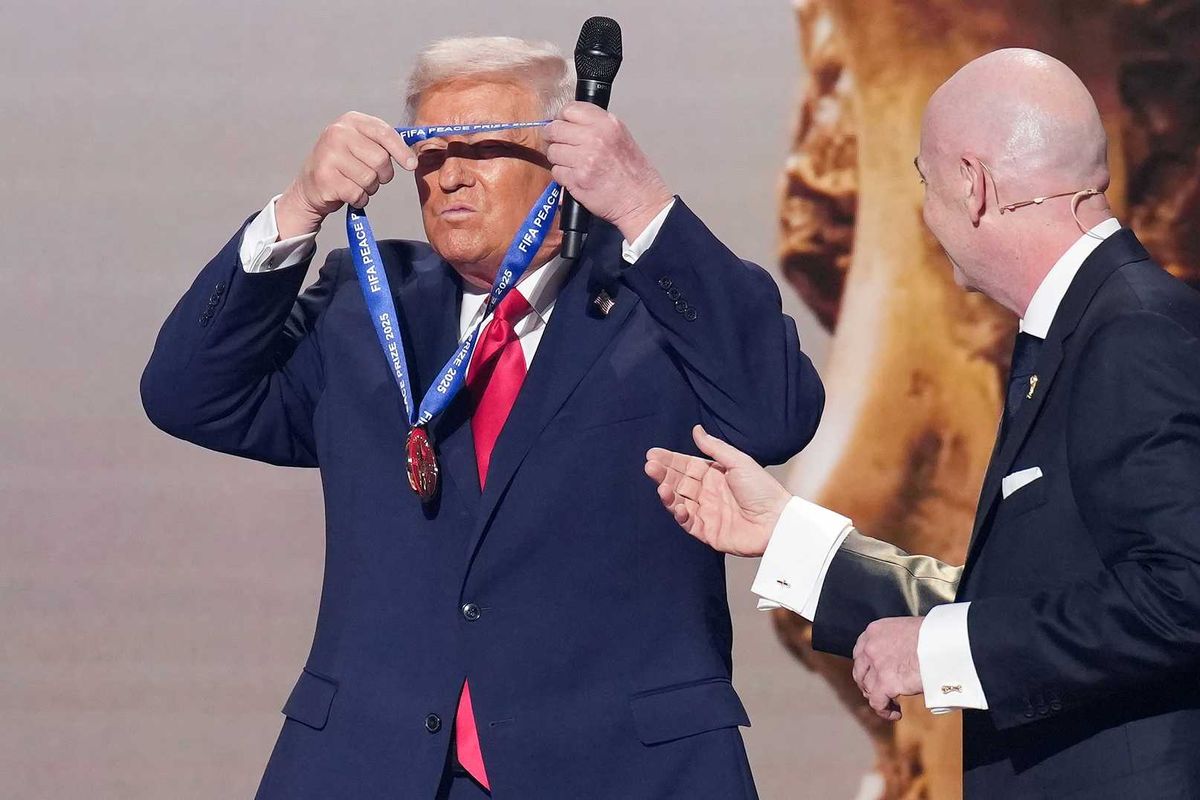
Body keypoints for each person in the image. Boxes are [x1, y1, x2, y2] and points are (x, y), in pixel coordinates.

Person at [141, 36, 823, 800]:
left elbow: (775, 416)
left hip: (618, 769)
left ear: (564, 158)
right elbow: (188, 394)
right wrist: (297, 210)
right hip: (375, 767)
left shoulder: (658, 304)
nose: (451, 177)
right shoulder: (367, 304)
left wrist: (638, 203)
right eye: (429, 153)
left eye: (484, 149)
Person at [645, 48, 1200, 798]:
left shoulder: (1134, 333)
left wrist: (945, 649)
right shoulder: (1081, 330)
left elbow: (1183, 593)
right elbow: (1033, 609)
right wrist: (785, 536)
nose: (925, 211)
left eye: (924, 181)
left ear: (973, 186)